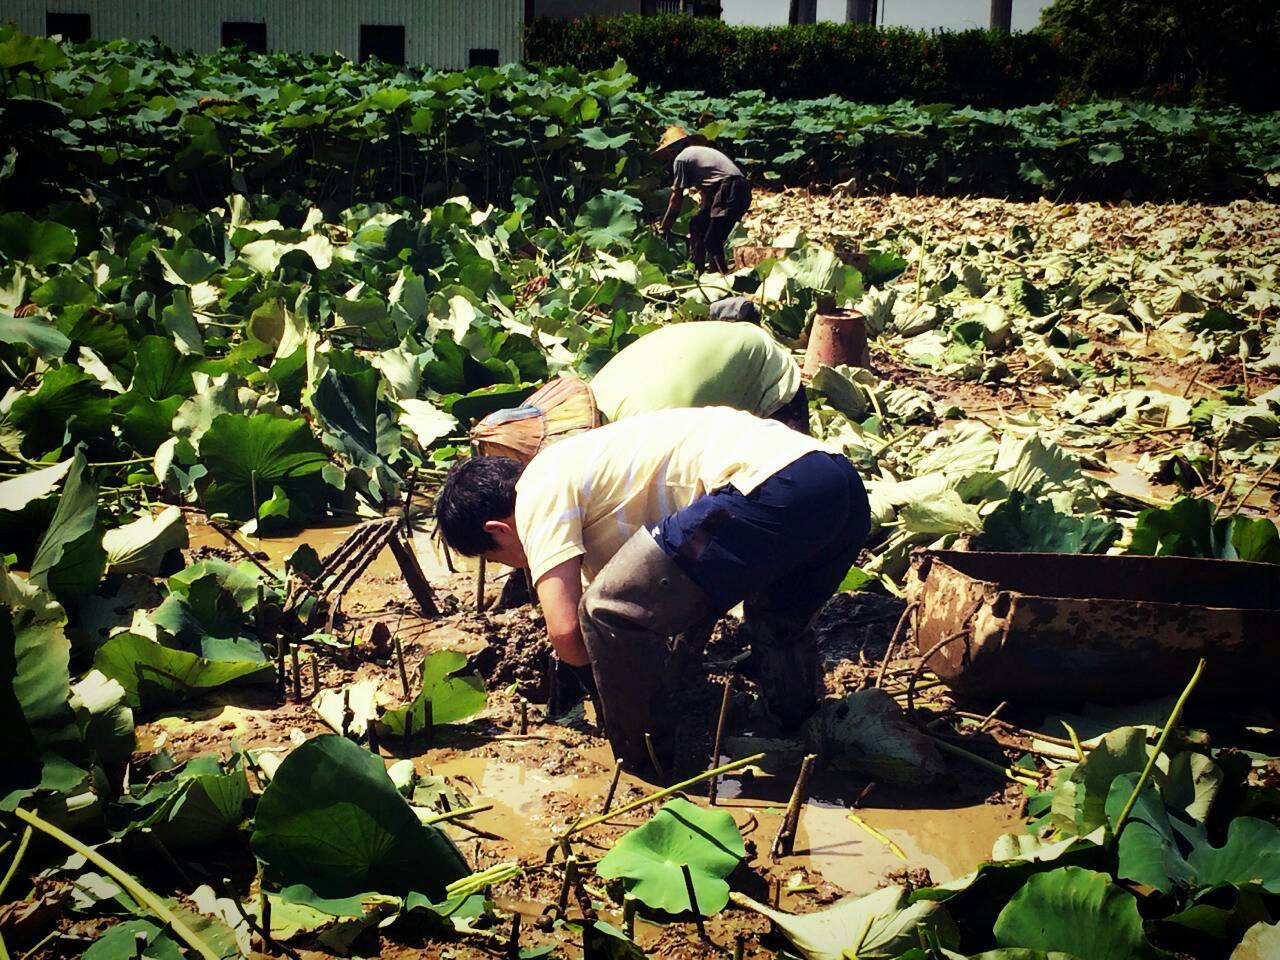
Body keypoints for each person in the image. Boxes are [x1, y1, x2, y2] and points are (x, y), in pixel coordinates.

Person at [436, 406, 870, 771]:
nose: (518, 566)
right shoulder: (589, 470)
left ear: (497, 529)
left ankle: (647, 765)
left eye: (499, 558)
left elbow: (567, 631)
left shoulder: (535, 488)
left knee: (607, 611)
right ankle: (797, 727)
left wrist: (602, 695)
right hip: (836, 483)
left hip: (770, 485)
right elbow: (685, 590)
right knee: (777, 622)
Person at [589, 319, 808, 433]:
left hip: (767, 375)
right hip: (719, 344)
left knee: (788, 478)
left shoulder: (650, 426)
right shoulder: (593, 391)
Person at [653, 126, 751, 274]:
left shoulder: (681, 158)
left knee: (712, 240)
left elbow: (676, 198)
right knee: (697, 224)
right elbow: (708, 194)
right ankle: (699, 270)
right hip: (738, 188)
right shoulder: (698, 154)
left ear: (671, 150)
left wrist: (665, 226)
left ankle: (721, 275)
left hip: (729, 188)